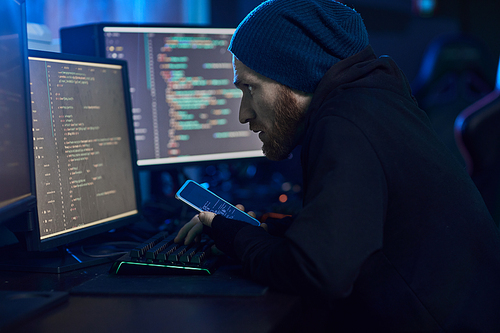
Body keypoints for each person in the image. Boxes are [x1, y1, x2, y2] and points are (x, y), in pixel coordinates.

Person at [175, 0, 500, 331]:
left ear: (292, 73)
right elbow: (355, 232)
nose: (244, 114)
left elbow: (315, 271)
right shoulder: (373, 103)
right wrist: (266, 230)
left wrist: (233, 235)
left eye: (249, 87)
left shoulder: (346, 122)